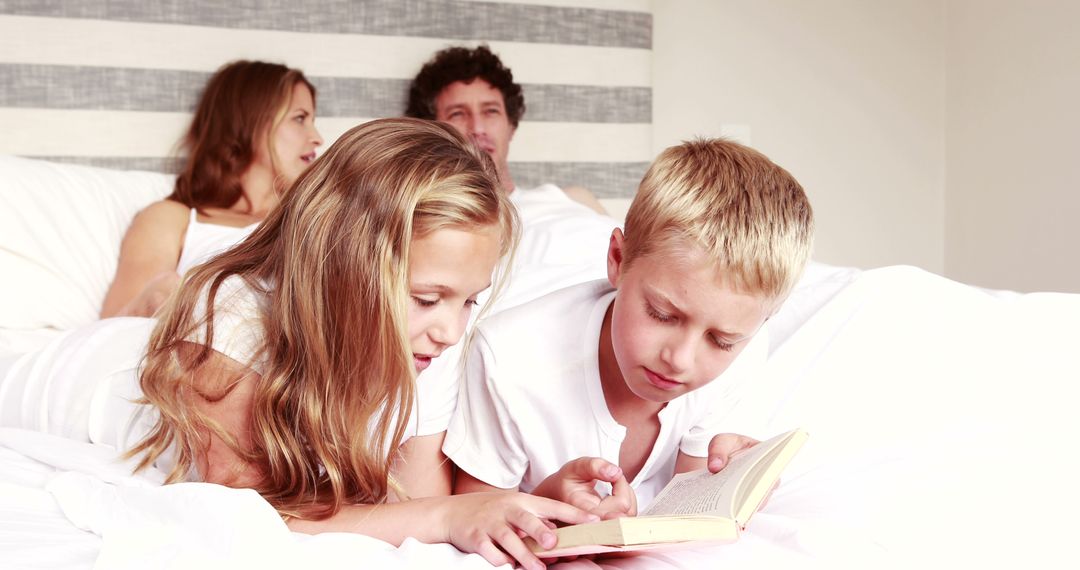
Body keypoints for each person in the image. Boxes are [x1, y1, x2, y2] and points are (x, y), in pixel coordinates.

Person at [0, 118, 598, 570]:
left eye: (468, 300)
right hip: (74, 380)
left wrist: (527, 515)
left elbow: (419, 505)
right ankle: (159, 302)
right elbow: (248, 509)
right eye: (425, 298)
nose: (450, 328)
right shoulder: (235, 318)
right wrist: (449, 515)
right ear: (345, 266)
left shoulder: (431, 343)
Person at [445, 138, 815, 523]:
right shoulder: (505, 358)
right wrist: (548, 504)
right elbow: (476, 517)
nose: (680, 360)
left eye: (720, 341)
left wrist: (728, 484)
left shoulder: (745, 349)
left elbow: (687, 515)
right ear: (617, 260)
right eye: (661, 314)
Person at [100, 60, 323, 318]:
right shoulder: (172, 219)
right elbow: (114, 329)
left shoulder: (313, 220)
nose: (317, 137)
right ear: (250, 122)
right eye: (299, 119)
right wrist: (166, 298)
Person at [406, 45, 619, 312]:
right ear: (434, 132)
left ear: (511, 126)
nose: (478, 128)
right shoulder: (429, 222)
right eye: (458, 114)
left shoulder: (574, 198)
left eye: (491, 111)